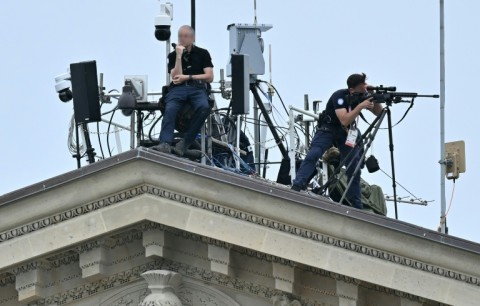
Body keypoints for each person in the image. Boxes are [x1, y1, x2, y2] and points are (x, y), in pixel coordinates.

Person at [291, 73, 383, 209]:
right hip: (328, 129)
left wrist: (374, 97)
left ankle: (357, 206)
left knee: (354, 167)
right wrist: (361, 106)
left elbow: (379, 113)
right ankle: (297, 186)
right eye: (361, 88)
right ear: (352, 90)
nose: (363, 91)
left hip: (346, 133)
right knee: (314, 154)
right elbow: (344, 120)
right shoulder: (339, 96)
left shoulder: (362, 96)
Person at [152, 25, 214, 156]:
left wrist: (188, 77)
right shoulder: (173, 55)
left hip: (197, 88)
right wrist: (179, 56)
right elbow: (175, 77)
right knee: (170, 108)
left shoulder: (203, 53)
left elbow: (209, 76)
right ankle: (165, 143)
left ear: (192, 38)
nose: (182, 39)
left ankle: (185, 143)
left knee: (204, 107)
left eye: (186, 36)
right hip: (178, 89)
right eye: (180, 36)